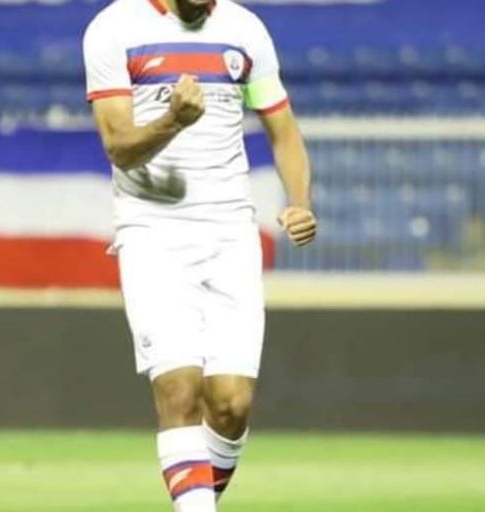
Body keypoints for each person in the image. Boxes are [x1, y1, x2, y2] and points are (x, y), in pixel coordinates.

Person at [83, 0, 317, 510]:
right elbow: (118, 146)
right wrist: (173, 120)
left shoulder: (245, 29)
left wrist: (300, 201)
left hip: (231, 232)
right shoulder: (114, 28)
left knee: (231, 406)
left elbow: (283, 131)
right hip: (153, 231)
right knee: (180, 391)